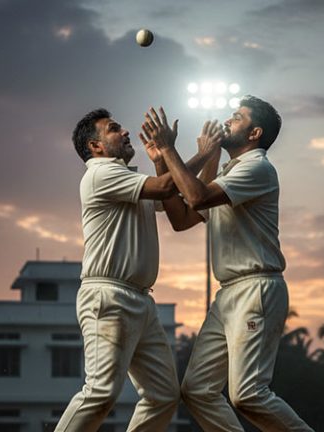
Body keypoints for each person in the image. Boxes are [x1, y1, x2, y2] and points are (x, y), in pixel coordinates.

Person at [141, 97, 314, 431]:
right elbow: (182, 218)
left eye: (238, 117)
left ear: (254, 133)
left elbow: (197, 197)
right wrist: (165, 158)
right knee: (197, 390)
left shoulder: (257, 167)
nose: (228, 120)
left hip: (256, 287)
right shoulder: (229, 172)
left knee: (248, 394)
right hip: (229, 294)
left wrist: (170, 149)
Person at [55, 108, 215, 432]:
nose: (125, 132)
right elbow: (166, 187)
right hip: (109, 297)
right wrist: (200, 153)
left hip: (140, 301)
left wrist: (163, 159)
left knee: (164, 395)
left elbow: (179, 210)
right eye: (114, 129)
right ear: (96, 147)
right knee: (100, 393)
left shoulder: (129, 178)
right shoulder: (100, 173)